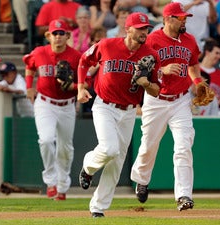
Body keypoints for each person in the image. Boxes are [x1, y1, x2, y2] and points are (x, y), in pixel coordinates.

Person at [77, 12, 160, 217]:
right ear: (128, 29)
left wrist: (146, 84)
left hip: (129, 110)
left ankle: (98, 207)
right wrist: (80, 87)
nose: (144, 31)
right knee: (109, 148)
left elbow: (157, 90)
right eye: (140, 28)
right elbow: (84, 60)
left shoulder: (151, 55)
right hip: (104, 105)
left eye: (146, 28)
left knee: (116, 161)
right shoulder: (107, 45)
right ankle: (88, 166)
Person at [130, 2, 206, 211]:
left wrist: (198, 83)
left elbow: (193, 65)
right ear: (168, 19)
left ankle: (183, 195)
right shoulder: (152, 40)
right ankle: (142, 180)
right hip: (156, 100)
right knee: (148, 146)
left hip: (180, 100)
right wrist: (162, 69)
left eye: (185, 18)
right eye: (180, 18)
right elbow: (142, 71)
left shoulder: (189, 40)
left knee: (183, 145)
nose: (184, 21)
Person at [23, 19, 84, 201]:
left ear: (67, 36)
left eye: (61, 33)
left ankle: (63, 186)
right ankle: (51, 181)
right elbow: (29, 66)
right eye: (54, 33)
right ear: (48, 36)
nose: (58, 37)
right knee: (46, 140)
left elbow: (85, 83)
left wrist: (72, 86)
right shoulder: (40, 52)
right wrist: (29, 87)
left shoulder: (76, 56)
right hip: (45, 102)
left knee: (65, 148)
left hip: (66, 105)